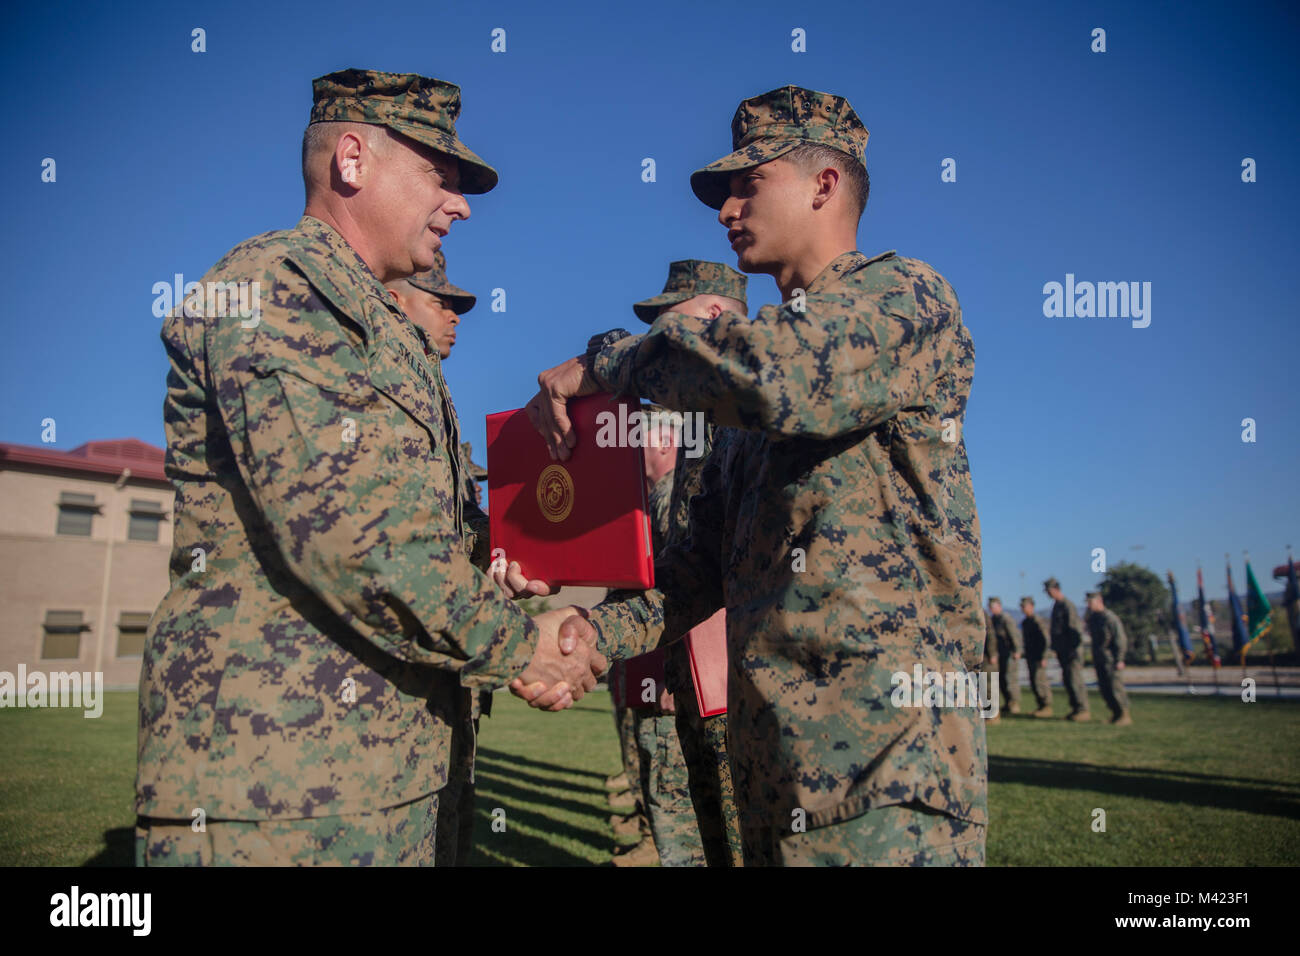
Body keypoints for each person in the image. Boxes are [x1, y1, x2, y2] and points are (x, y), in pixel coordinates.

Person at [136, 69, 603, 867]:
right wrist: (521, 642)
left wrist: (494, 570)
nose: (460, 205)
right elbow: (352, 539)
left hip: (390, 772)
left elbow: (409, 536)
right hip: (280, 790)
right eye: (440, 176)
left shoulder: (383, 330)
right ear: (352, 160)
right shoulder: (273, 289)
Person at [520, 85, 986, 866]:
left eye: (748, 182)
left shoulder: (905, 297)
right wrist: (588, 639)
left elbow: (775, 375)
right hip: (774, 775)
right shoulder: (750, 394)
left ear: (824, 184)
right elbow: (698, 569)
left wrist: (606, 362)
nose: (725, 209)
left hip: (886, 777)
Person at [1045, 577, 1090, 721]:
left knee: (1075, 679)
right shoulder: (1057, 605)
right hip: (1063, 650)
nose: (1047, 594)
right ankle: (1076, 708)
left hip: (1071, 651)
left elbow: (1073, 629)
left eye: (1049, 591)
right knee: (1068, 679)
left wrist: (1073, 649)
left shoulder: (1067, 605)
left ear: (1056, 589)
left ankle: (1083, 709)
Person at [1086, 592, 1133, 725]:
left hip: (1111, 659)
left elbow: (1120, 639)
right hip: (1100, 658)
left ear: (1099, 601)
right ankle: (1115, 713)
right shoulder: (1095, 618)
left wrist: (1120, 659)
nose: (1089, 605)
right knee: (1105, 688)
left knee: (1115, 687)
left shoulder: (1110, 618)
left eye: (1091, 602)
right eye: (1088, 603)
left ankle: (1124, 714)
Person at [1019, 596, 1053, 717]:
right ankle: (1040, 705)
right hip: (1030, 656)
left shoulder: (1037, 621)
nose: (1023, 609)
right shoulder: (1025, 622)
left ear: (1032, 606)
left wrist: (1044, 656)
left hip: (1038, 657)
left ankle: (1046, 706)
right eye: (1022, 607)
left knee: (1040, 681)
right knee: (1034, 681)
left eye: (1025, 606)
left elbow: (1045, 640)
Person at [987, 597, 1021, 715]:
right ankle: (1008, 703)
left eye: (993, 607)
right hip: (1000, 654)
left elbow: (1013, 635)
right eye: (990, 607)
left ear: (999, 606)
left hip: (1009, 653)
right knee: (1002, 680)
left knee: (1010, 679)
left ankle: (1014, 703)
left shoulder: (1005, 619)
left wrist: (1017, 650)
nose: (992, 609)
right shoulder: (993, 620)